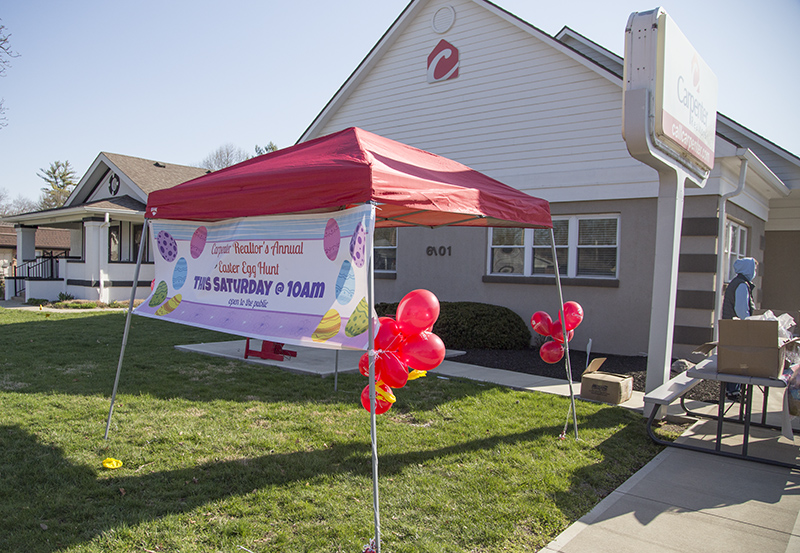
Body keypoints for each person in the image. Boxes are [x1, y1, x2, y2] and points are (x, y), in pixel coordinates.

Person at [721, 257, 758, 400]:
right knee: (737, 359)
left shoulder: (737, 283)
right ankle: (733, 391)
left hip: (732, 328)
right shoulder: (742, 285)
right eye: (754, 269)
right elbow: (742, 311)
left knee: (734, 358)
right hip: (737, 329)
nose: (754, 272)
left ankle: (733, 390)